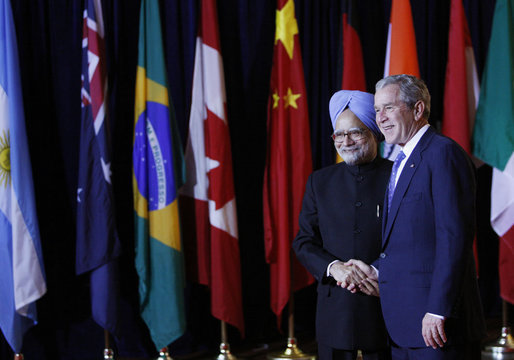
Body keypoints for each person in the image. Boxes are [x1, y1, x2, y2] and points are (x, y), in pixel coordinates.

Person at [347, 74, 485, 360]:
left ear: (418, 109)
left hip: (437, 327)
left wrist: (438, 309)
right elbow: (411, 241)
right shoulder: (402, 161)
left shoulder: (442, 154)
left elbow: (454, 238)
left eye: (388, 108)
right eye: (376, 110)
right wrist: (375, 271)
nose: (380, 118)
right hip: (405, 323)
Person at [293, 90, 392, 360]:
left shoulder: (398, 176)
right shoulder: (319, 181)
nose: (346, 141)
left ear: (375, 133)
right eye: (339, 134)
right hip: (335, 310)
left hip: (385, 307)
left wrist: (376, 271)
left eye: (356, 132)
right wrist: (333, 268)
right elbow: (304, 241)